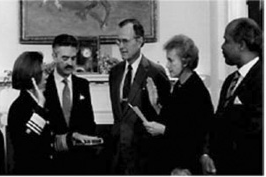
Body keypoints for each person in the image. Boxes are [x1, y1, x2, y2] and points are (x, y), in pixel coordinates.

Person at [143, 34, 214, 175]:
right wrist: (155, 104)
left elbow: (195, 134)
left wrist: (163, 130)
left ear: (186, 61)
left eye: (171, 60)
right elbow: (173, 119)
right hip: (175, 161)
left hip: (186, 165)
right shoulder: (179, 85)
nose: (167, 66)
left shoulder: (196, 90)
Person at [108, 18, 171, 174]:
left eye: (125, 41)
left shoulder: (156, 72)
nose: (120, 46)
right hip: (117, 157)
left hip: (145, 158)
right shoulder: (115, 72)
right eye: (118, 41)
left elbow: (165, 115)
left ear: (140, 41)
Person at [201, 17, 263, 175]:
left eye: (226, 41)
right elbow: (218, 121)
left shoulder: (261, 79)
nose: (222, 47)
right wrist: (206, 153)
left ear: (241, 45)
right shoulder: (231, 80)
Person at [44, 34, 101, 174]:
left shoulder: (82, 85)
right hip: (52, 162)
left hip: (80, 162)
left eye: (73, 58)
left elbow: (89, 123)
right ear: (54, 56)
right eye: (65, 58)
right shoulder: (44, 86)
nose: (70, 63)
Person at [7, 51, 56, 174]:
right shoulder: (18, 107)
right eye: (42, 72)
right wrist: (39, 107)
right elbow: (26, 145)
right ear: (31, 76)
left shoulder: (47, 102)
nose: (46, 76)